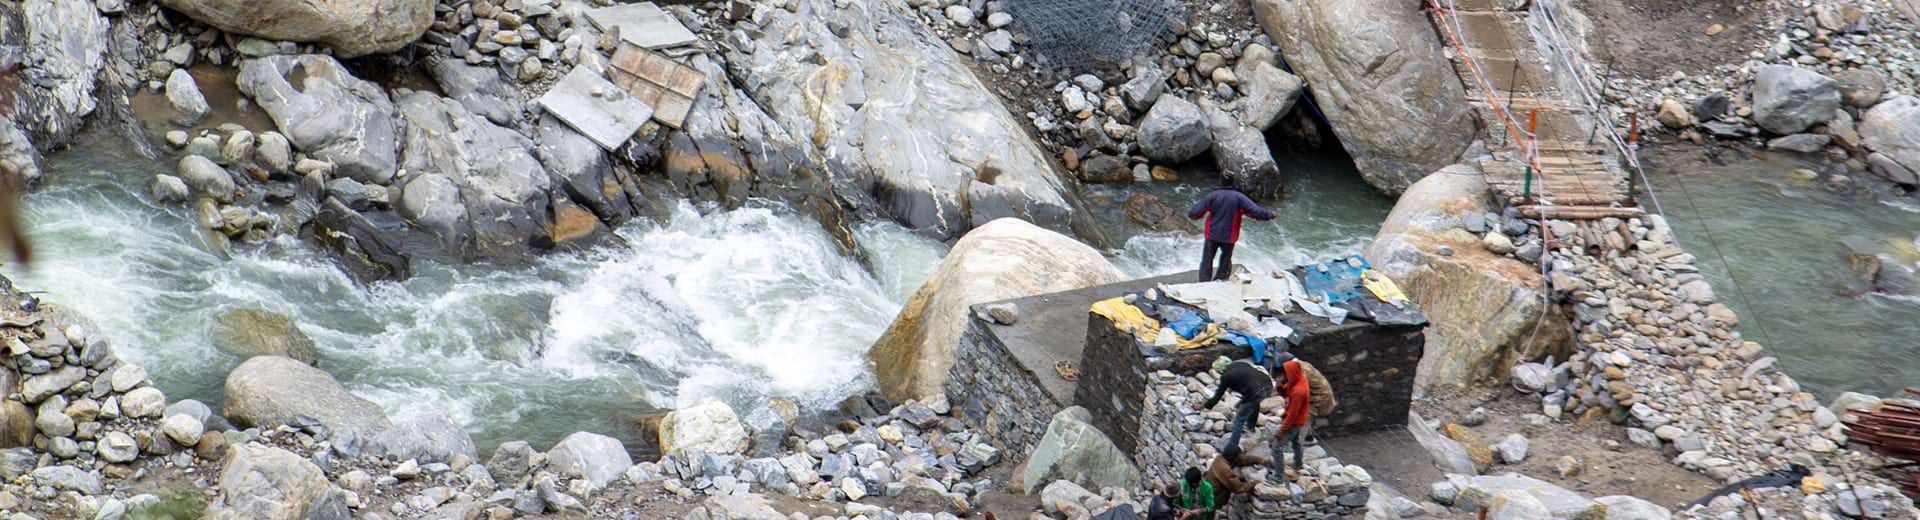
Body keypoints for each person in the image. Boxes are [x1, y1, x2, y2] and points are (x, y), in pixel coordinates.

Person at [1187, 180, 1275, 282]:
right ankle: (1221, 281)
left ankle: (1204, 283)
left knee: (1207, 260)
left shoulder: (1213, 196)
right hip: (1229, 237)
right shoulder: (1239, 198)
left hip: (1212, 234)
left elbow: (1194, 213)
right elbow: (1256, 212)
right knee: (1225, 261)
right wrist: (1270, 214)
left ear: (1220, 181)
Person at [1192, 359, 1272, 450]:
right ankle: (1251, 426)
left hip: (1256, 391)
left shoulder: (1226, 377)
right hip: (1267, 384)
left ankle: (1232, 446)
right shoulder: (1240, 364)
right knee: (1254, 403)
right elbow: (1246, 379)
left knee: (1239, 419)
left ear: (1220, 370)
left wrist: (1204, 406)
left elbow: (1218, 396)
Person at [1271, 356, 1312, 479]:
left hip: (1295, 422)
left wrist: (1281, 430)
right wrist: (1279, 386)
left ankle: (1278, 477)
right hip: (1301, 420)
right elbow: (1286, 392)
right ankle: (1298, 465)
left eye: (1285, 375)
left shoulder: (1298, 391)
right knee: (1296, 442)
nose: (1284, 377)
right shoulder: (1300, 380)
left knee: (1276, 447)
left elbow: (1292, 414)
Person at [1203, 444, 1271, 518]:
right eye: (1238, 456)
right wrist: (1255, 483)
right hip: (1211, 498)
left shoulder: (1221, 458)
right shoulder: (1224, 469)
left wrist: (1260, 460)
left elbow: (1242, 460)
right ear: (1233, 458)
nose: (1240, 457)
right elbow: (1238, 488)